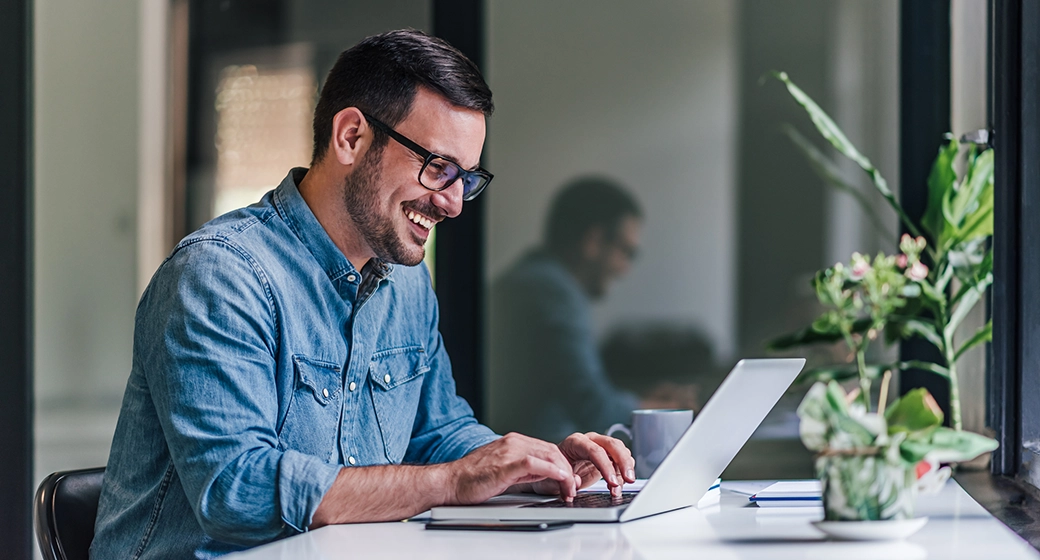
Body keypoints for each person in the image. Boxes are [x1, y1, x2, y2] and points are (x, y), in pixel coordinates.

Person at [91, 30, 633, 559]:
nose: (453, 203)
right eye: (439, 168)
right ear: (351, 137)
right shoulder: (220, 276)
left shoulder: (407, 282)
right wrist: (453, 480)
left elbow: (437, 432)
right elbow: (236, 490)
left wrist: (532, 470)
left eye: (465, 178)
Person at [489, 177, 694, 443]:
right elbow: (594, 408)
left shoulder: (530, 279)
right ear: (593, 241)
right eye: (626, 252)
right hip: (539, 458)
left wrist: (643, 399)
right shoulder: (553, 293)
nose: (625, 269)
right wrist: (666, 409)